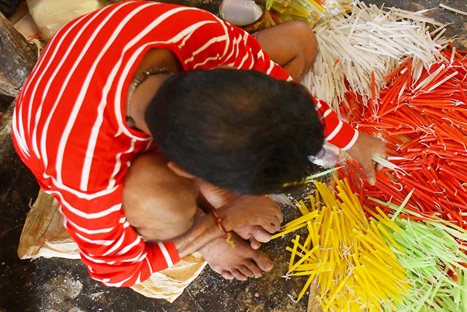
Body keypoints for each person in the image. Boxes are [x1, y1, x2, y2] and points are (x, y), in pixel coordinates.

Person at [12, 0, 386, 287]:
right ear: (183, 170)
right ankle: (199, 222)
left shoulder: (199, 33)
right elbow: (116, 271)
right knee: (157, 199)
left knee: (299, 40)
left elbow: (270, 79)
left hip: (115, 69)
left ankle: (223, 180)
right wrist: (218, 224)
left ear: (223, 76)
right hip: (71, 126)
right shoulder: (82, 169)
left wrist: (351, 139)